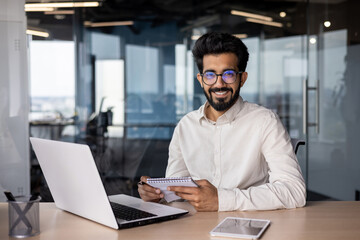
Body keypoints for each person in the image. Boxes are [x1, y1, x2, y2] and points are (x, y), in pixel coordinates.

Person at [138, 32, 306, 212]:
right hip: (196, 228)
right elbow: (177, 193)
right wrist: (160, 195)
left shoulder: (265, 121)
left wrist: (221, 200)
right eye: (210, 75)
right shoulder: (185, 126)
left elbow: (294, 191)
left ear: (242, 78)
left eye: (228, 74)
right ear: (201, 80)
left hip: (251, 225)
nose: (219, 84)